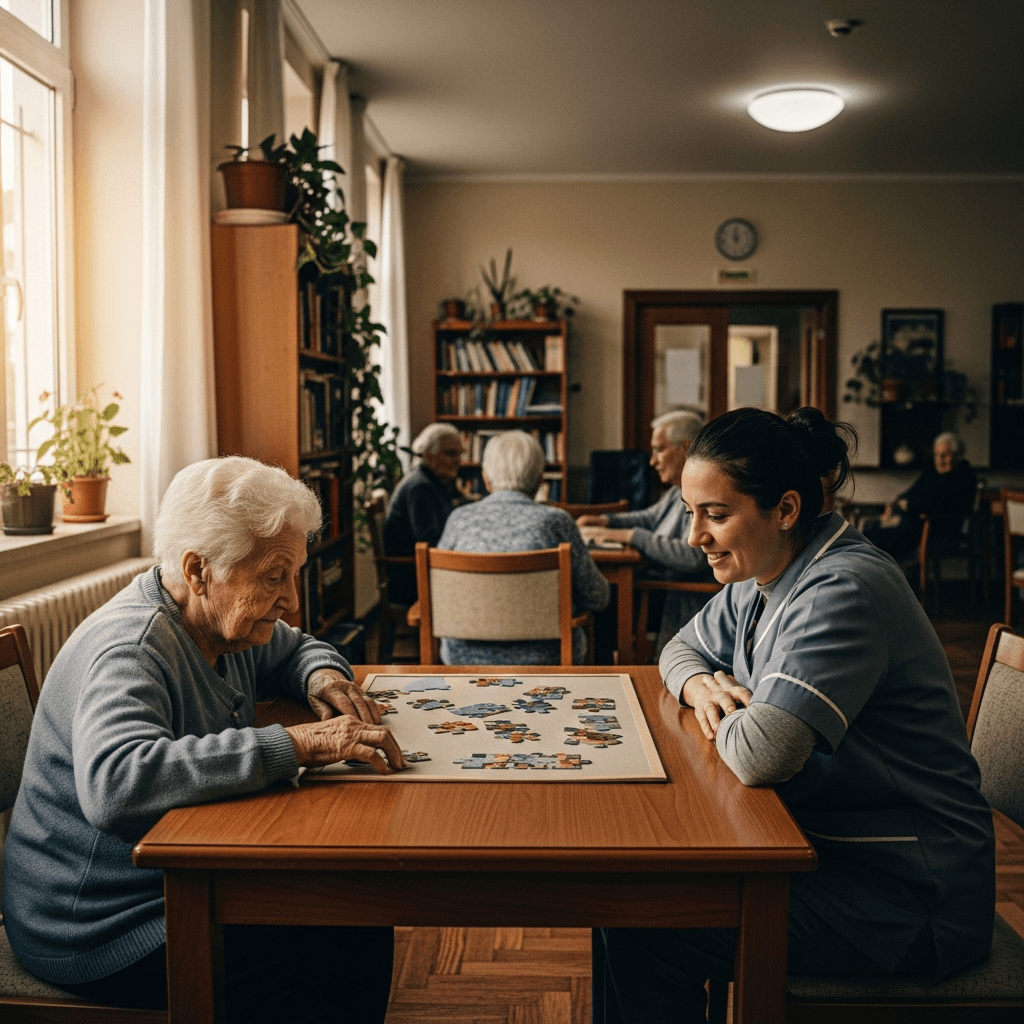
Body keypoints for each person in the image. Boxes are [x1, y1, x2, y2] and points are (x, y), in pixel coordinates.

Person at [594, 408, 994, 1024]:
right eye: (690, 511)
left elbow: (762, 755)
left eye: (715, 514)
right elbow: (674, 650)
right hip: (824, 850)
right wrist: (706, 687)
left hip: (905, 893)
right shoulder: (766, 571)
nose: (695, 534)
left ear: (785, 509)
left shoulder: (843, 589)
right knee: (627, 904)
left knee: (640, 922)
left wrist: (733, 713)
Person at [3, 456, 406, 1022]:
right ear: (198, 570)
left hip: (169, 882)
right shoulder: (134, 649)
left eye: (295, 574)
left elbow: (295, 646)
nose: (291, 598)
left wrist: (324, 676)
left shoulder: (223, 620)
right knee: (337, 950)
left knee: (355, 914)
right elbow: (116, 785)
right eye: (274, 577)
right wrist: (295, 745)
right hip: (94, 924)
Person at [436, 431, 610, 665]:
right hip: (547, 658)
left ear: (486, 479)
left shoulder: (458, 520)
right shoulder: (557, 521)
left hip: (464, 657)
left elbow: (438, 594)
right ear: (540, 480)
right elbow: (597, 597)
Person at [577, 410, 715, 656]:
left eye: (659, 449)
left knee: (600, 599)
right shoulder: (677, 490)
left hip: (679, 597)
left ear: (686, 447)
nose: (652, 461)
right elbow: (650, 518)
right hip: (662, 589)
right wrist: (605, 521)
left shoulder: (704, 491)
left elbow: (693, 557)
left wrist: (628, 536)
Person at [383, 422, 466, 605]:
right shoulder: (421, 487)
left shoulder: (434, 480)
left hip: (421, 569)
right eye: (451, 453)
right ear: (429, 454)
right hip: (411, 577)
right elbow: (430, 541)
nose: (458, 460)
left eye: (460, 453)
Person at [865, 431, 977, 564]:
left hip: (939, 530)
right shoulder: (931, 473)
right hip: (917, 525)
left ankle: (888, 575)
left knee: (889, 536)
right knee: (873, 532)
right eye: (937, 455)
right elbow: (909, 494)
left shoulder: (964, 477)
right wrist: (894, 504)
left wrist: (909, 505)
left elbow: (942, 506)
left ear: (958, 456)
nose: (940, 460)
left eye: (945, 455)